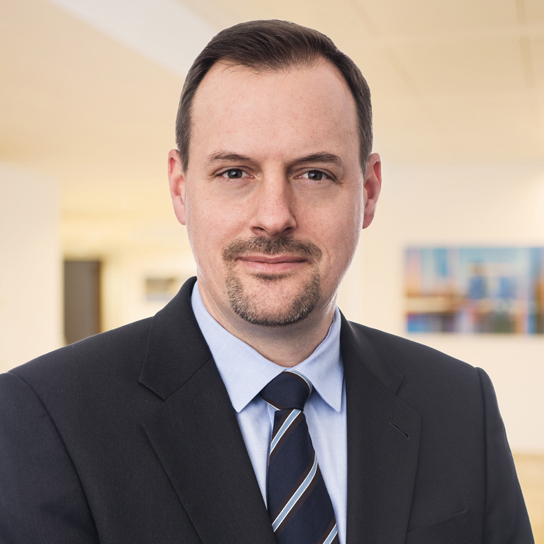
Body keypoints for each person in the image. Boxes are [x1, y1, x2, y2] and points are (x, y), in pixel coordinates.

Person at [0, 20, 534, 544]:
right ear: (181, 189)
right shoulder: (46, 415)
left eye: (314, 173)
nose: (274, 216)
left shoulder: (459, 404)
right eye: (235, 173)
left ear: (368, 192)